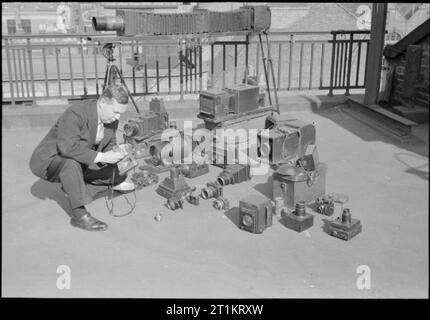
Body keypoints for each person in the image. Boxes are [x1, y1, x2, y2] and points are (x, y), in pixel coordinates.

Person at [29, 84, 135, 232]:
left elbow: (110, 143)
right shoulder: (76, 112)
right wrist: (102, 156)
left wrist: (117, 153)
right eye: (116, 111)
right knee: (70, 163)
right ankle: (80, 216)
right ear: (103, 102)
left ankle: (73, 186)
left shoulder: (111, 118)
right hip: (51, 160)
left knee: (120, 172)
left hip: (83, 159)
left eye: (120, 113)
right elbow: (67, 148)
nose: (118, 117)